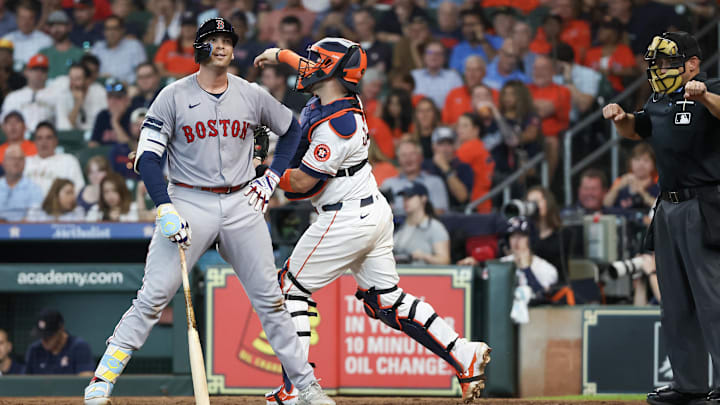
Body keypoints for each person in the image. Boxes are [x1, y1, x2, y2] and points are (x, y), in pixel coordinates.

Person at [82, 18, 332, 405]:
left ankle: (307, 387)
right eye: (214, 40)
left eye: (227, 40)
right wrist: (164, 206)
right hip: (188, 201)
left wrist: (272, 177)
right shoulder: (172, 95)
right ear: (199, 48)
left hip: (242, 201)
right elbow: (148, 157)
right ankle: (101, 381)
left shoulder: (252, 93)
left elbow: (292, 130)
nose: (222, 46)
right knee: (153, 295)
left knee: (271, 299)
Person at [253, 36, 491, 405]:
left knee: (289, 288)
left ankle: (297, 390)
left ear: (331, 69)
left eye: (316, 60)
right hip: (370, 210)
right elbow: (312, 69)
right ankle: (463, 352)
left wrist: (260, 168)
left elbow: (301, 183)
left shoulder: (338, 125)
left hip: (346, 216)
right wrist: (277, 55)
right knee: (386, 300)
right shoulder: (334, 97)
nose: (308, 64)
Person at [602, 31, 720, 405]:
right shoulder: (656, 100)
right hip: (666, 206)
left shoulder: (710, 89)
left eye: (668, 62)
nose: (660, 69)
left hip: (704, 203)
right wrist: (621, 119)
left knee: (713, 299)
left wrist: (704, 95)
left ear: (692, 64)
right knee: (675, 301)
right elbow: (638, 129)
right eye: (656, 63)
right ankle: (689, 384)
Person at [528, 55, 571, 181]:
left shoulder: (562, 91)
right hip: (528, 135)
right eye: (536, 69)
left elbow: (544, 111)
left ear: (552, 71)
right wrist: (540, 106)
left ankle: (546, 184)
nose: (539, 72)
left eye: (543, 68)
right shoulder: (526, 89)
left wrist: (532, 105)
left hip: (551, 137)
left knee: (551, 142)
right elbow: (525, 110)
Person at [381, 139, 449, 216]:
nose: (408, 158)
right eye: (403, 155)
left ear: (421, 157)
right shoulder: (388, 184)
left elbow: (441, 212)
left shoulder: (435, 182)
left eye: (412, 154)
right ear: (398, 160)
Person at [499, 216, 559, 298]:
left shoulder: (546, 269)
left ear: (530, 239)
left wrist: (527, 270)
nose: (517, 241)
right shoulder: (499, 266)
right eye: (513, 236)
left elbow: (543, 298)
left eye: (522, 236)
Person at [393, 182, 451, 265]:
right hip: (398, 274)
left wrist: (424, 256)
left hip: (422, 275)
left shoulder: (435, 227)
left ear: (423, 198)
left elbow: (445, 261)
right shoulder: (399, 225)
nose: (406, 201)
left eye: (410, 197)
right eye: (404, 197)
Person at [25, 309, 94, 375]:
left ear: (61, 328)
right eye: (41, 336)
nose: (44, 341)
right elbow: (25, 381)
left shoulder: (79, 347)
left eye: (49, 336)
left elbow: (86, 379)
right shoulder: (35, 349)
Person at [24, 121, 85, 195]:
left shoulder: (68, 161)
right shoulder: (25, 162)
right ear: (35, 142)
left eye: (48, 137)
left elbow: (79, 190)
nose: (44, 142)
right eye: (39, 138)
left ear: (56, 141)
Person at [421, 126, 474, 212]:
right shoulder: (424, 165)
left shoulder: (464, 167)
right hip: (426, 212)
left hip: (455, 214)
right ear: (433, 146)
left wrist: (445, 167)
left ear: (455, 146)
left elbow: (462, 197)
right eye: (441, 144)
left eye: (449, 144)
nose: (445, 149)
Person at [525, 185, 571, 283]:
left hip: (556, 285)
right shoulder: (525, 234)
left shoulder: (564, 234)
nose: (533, 206)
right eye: (529, 203)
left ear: (548, 202)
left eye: (536, 202)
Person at [1, 54, 54, 132]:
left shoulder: (56, 95)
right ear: (26, 71)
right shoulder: (13, 97)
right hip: (21, 140)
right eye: (35, 69)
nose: (39, 73)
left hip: (46, 139)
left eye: (43, 70)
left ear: (47, 73)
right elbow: (4, 123)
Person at [455, 113, 495, 213]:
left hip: (476, 201)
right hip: (485, 199)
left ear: (476, 130)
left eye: (465, 126)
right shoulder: (480, 145)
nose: (460, 129)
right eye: (459, 125)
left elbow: (451, 163)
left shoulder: (470, 147)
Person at [90, 15, 147, 83]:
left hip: (127, 87)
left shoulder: (134, 46)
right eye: (108, 29)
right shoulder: (97, 47)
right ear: (104, 31)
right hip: (101, 87)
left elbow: (143, 71)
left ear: (122, 30)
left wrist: (125, 82)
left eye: (115, 29)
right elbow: (89, 71)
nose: (111, 32)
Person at [603, 142, 659, 210]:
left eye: (646, 160)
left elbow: (659, 207)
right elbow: (606, 204)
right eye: (637, 159)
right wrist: (617, 187)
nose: (641, 164)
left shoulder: (658, 185)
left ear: (653, 165)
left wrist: (642, 192)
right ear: (630, 162)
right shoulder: (621, 181)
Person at [411, 40, 463, 111]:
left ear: (444, 58)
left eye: (438, 53)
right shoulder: (414, 75)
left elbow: (460, 101)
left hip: (445, 118)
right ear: (424, 56)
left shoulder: (453, 76)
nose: (433, 56)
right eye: (430, 53)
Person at [54, 62, 107, 131]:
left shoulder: (99, 92)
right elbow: (65, 129)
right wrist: (78, 104)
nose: (72, 84)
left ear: (88, 81)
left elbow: (105, 122)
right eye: (71, 79)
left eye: (77, 79)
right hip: (74, 139)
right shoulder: (64, 94)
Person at [449, 8, 502, 73]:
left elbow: (499, 65)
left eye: (472, 25)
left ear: (482, 25)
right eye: (465, 25)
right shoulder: (459, 49)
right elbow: (454, 73)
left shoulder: (497, 41)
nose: (468, 29)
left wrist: (483, 41)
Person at [443, 56, 491, 125]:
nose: (472, 74)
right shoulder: (453, 94)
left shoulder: (493, 94)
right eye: (468, 70)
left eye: (476, 70)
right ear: (464, 73)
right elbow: (445, 123)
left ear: (484, 73)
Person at [0, 143, 43, 221]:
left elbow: (35, 218)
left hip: (26, 231)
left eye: (20, 159)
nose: (16, 162)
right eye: (12, 158)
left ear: (25, 163)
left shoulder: (34, 189)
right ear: (3, 163)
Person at [2, 1, 52, 66]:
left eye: (30, 18)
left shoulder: (46, 41)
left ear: (35, 19)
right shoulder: (6, 40)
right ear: (16, 19)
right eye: (22, 18)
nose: (26, 22)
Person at [153, 11, 198, 79]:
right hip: (169, 81)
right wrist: (179, 76)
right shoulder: (168, 45)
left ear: (196, 28)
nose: (188, 28)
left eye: (191, 25)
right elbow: (159, 69)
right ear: (180, 28)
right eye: (184, 26)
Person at [39, 10, 83, 80]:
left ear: (69, 27)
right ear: (48, 28)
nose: (56, 29)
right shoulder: (43, 53)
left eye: (60, 24)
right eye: (52, 25)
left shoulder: (80, 54)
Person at [89, 78, 131, 147]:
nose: (113, 101)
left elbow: (129, 147)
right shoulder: (102, 115)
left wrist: (115, 122)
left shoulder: (132, 115)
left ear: (126, 99)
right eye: (110, 97)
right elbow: (93, 144)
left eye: (118, 97)